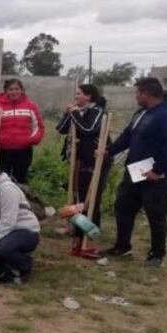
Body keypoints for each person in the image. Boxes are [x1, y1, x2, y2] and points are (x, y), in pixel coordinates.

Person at [102, 77, 167, 267]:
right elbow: (127, 136)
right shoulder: (141, 113)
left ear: (147, 94)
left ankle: (156, 254)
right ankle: (122, 247)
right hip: (137, 168)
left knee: (155, 213)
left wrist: (157, 170)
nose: (136, 96)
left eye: (138, 93)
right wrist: (109, 151)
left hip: (158, 175)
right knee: (123, 206)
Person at [56, 83, 111, 259]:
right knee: (79, 198)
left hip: (96, 161)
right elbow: (61, 129)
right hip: (79, 161)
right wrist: (68, 114)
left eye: (79, 94)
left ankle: (90, 236)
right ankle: (80, 237)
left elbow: (88, 130)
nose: (76, 97)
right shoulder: (78, 112)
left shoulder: (98, 112)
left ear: (89, 96)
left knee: (91, 199)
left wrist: (74, 114)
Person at [0, 79, 44, 184]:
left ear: (22, 90)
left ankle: (19, 199)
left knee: (20, 180)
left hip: (23, 150)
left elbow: (38, 126)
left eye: (17, 89)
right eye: (11, 89)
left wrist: (32, 139)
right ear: (6, 91)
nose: (14, 92)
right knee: (0, 180)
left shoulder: (30, 106)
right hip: (1, 151)